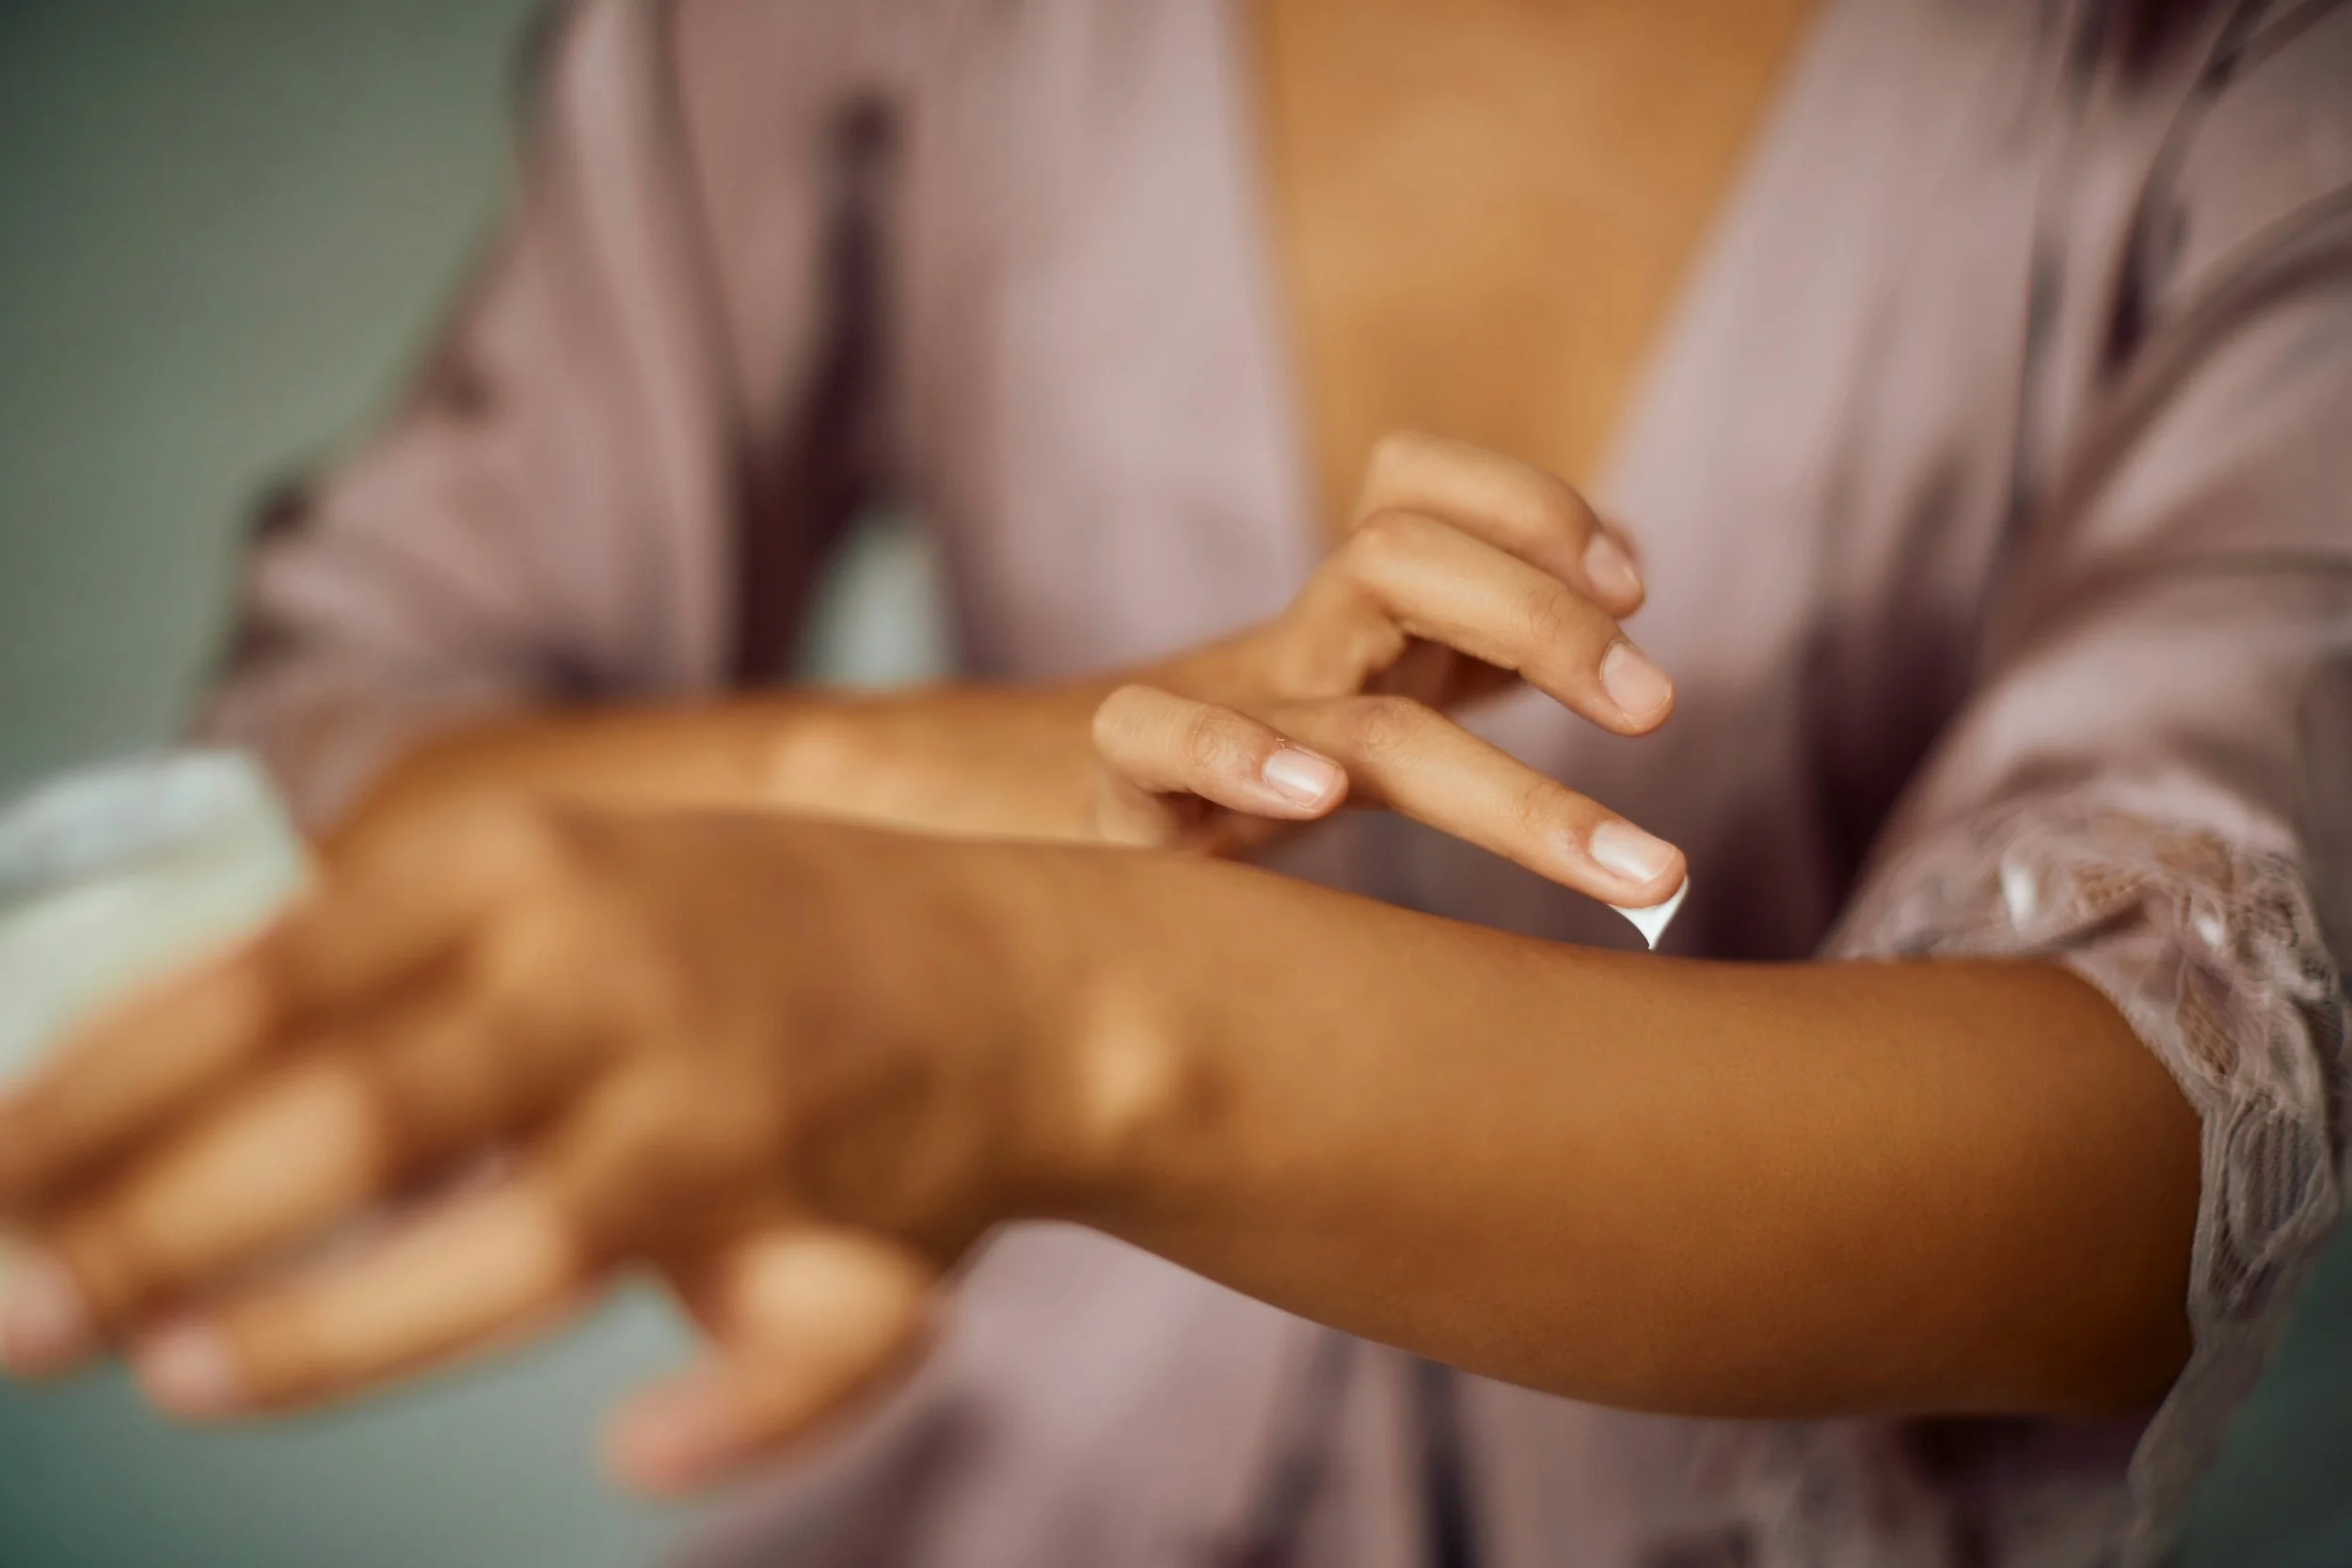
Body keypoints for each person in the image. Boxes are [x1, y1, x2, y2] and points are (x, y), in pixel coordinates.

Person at [2, 1, 2347, 1564]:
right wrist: (923, 787)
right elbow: (320, 759)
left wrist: (1037, 1009)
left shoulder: (2246, 74)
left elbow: (2154, 1145)